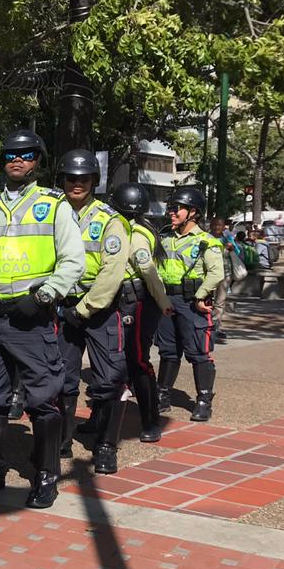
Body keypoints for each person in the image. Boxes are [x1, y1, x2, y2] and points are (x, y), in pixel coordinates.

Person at [0, 130, 85, 507]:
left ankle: (46, 472)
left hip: (31, 317)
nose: (17, 160)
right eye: (10, 154)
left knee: (43, 398)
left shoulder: (53, 204)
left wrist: (44, 296)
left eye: (26, 154)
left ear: (37, 160)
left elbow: (74, 260)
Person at [54, 150, 130, 474]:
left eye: (83, 179)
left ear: (94, 182)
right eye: (71, 178)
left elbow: (111, 274)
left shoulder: (110, 220)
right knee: (60, 380)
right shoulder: (52, 215)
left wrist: (84, 309)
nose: (77, 184)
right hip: (63, 306)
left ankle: (105, 447)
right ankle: (60, 441)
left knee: (109, 379)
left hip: (98, 309)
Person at [110, 183, 174, 443]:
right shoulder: (135, 228)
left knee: (137, 360)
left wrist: (162, 301)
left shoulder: (135, 233)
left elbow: (147, 269)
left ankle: (151, 420)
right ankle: (103, 419)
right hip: (121, 300)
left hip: (135, 302)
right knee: (112, 364)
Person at [156, 187, 224, 422]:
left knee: (198, 352)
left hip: (192, 302)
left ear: (193, 212)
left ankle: (204, 400)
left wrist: (200, 296)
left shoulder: (207, 242)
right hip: (167, 301)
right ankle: (162, 395)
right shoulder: (164, 236)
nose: (171, 213)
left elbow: (216, 274)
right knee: (168, 350)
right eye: (170, 208)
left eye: (176, 208)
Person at [209, 217, 234, 343]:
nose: (217, 227)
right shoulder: (206, 237)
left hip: (225, 272)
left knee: (220, 301)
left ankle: (217, 325)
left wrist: (231, 247)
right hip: (209, 273)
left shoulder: (227, 238)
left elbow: (237, 251)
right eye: (215, 224)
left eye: (220, 225)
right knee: (207, 300)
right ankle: (207, 324)